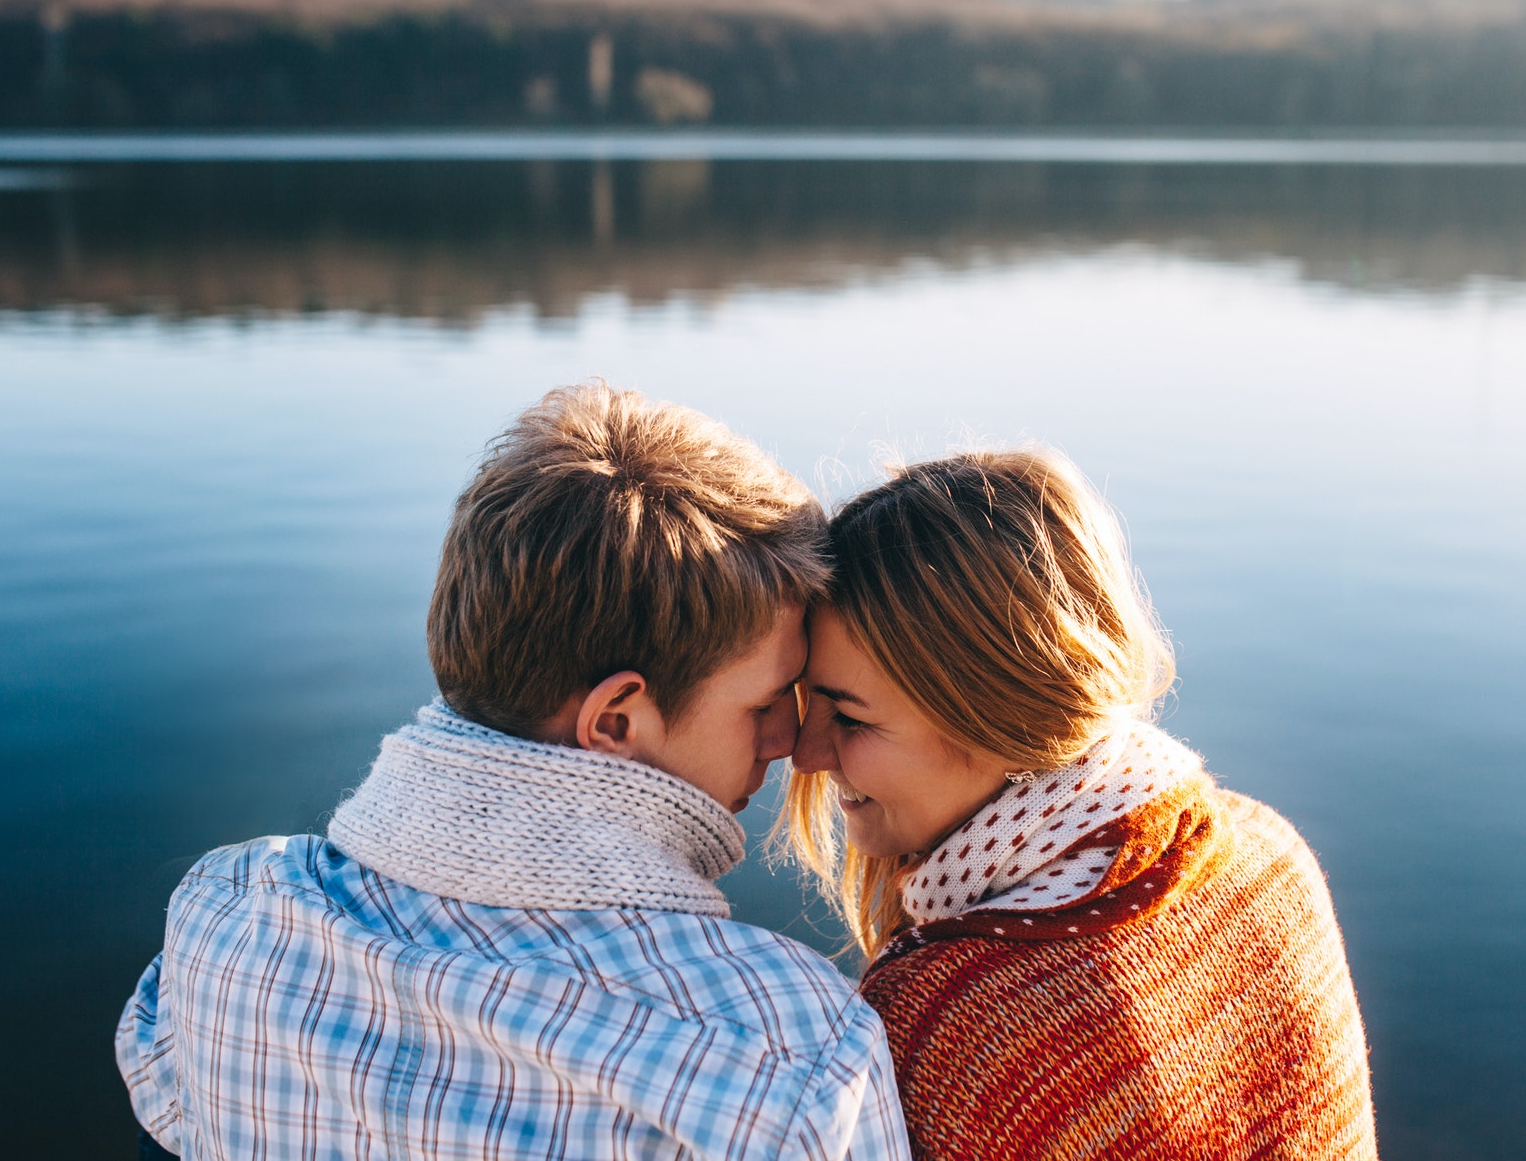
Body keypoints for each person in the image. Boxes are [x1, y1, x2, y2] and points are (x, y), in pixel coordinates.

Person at [117, 382, 910, 1161]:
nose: (793, 739)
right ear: (615, 722)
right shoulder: (791, 1054)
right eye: (768, 700)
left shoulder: (223, 915)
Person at [782, 449, 1377, 1161]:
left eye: (848, 716)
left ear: (996, 717)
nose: (806, 752)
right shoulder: (1270, 856)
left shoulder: (949, 1021)